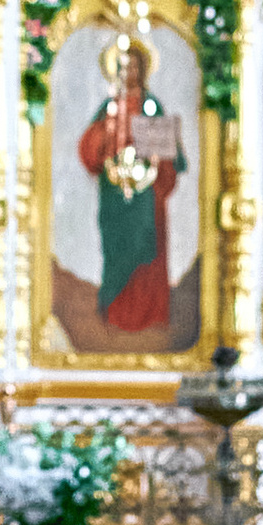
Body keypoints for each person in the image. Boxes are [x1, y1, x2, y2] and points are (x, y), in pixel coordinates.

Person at [77, 36, 185, 339]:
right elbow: (90, 147)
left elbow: (168, 154)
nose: (129, 73)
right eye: (123, 67)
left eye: (134, 67)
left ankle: (152, 315)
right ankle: (115, 313)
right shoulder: (109, 107)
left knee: (146, 251)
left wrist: (160, 148)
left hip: (147, 197)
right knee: (117, 251)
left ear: (143, 70)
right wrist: (106, 138)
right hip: (115, 195)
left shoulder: (152, 106)